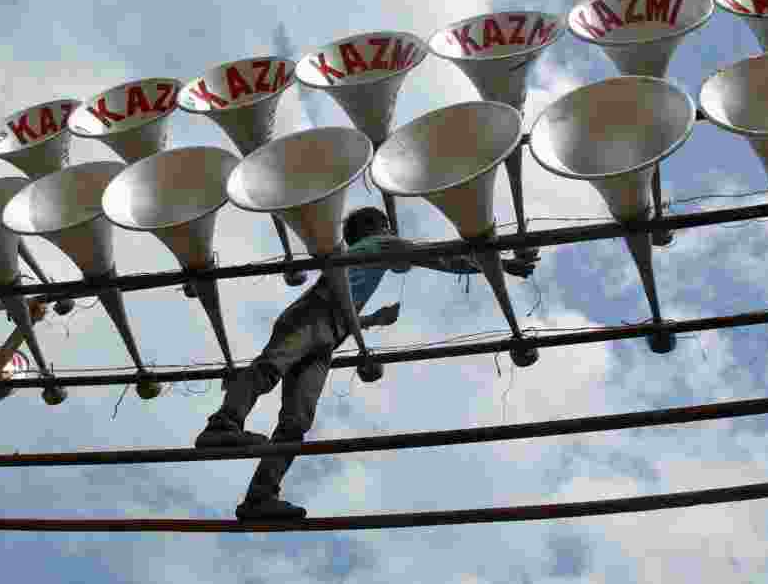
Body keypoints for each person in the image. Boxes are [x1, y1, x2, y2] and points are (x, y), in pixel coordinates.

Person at [194, 207, 534, 521]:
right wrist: (500, 264)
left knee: (297, 419)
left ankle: (260, 497)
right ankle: (223, 427)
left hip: (329, 331)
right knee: (271, 369)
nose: (390, 228)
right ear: (373, 229)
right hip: (315, 316)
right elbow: (441, 258)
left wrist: (371, 319)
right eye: (385, 223)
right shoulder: (380, 242)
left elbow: (347, 304)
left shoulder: (362, 257)